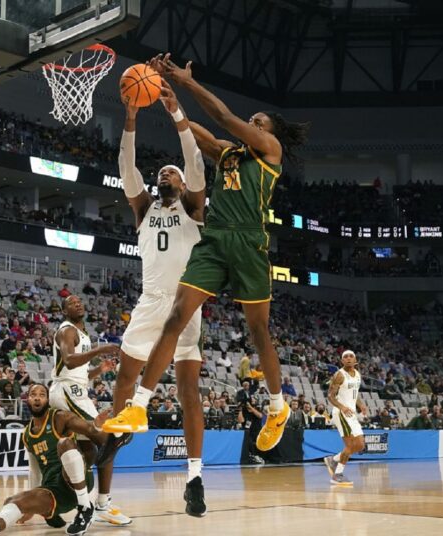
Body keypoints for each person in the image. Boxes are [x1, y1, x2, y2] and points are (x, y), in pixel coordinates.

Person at [104, 53, 310, 457]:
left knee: (258, 332)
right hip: (215, 239)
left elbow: (224, 119)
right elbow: (202, 138)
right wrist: (167, 101)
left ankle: (277, 406)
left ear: (271, 132)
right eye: (253, 121)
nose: (253, 124)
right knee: (178, 315)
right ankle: (139, 407)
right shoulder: (230, 156)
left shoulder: (269, 151)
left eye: (259, 121)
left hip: (249, 241)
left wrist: (186, 83)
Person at [108, 77, 208, 514]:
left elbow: (197, 162)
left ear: (183, 185)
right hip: (150, 303)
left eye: (172, 173)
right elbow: (126, 168)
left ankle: (195, 476)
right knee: (123, 382)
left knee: (189, 392)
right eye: (161, 173)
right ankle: (105, 475)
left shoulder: (192, 209)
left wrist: (175, 114)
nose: (164, 174)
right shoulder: (143, 209)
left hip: (186, 304)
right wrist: (130, 118)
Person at [0, 383, 127, 536]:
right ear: (27, 399)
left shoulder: (59, 417)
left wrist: (96, 425)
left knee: (64, 444)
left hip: (75, 480)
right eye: (33, 394)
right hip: (54, 491)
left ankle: (85, 507)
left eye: (42, 394)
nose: (37, 397)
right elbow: (34, 470)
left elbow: (88, 429)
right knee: (14, 501)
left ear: (48, 400)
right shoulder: (27, 435)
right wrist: (32, 505)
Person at [48, 295, 130, 526]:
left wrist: (99, 370)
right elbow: (70, 361)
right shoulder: (67, 331)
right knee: (110, 437)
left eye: (79, 301)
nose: (78, 304)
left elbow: (79, 371)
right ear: (64, 311)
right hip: (66, 390)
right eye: (71, 303)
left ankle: (72, 500)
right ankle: (102, 503)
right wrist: (100, 349)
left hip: (76, 388)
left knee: (87, 453)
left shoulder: (81, 333)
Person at [323, 350, 366, 487]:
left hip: (351, 413)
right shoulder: (339, 375)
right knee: (350, 445)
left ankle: (333, 459)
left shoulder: (357, 375)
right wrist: (342, 407)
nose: (348, 358)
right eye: (345, 357)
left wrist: (361, 405)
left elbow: (355, 393)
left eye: (351, 356)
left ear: (355, 360)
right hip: (341, 413)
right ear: (342, 361)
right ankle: (337, 475)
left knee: (360, 445)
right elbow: (330, 395)